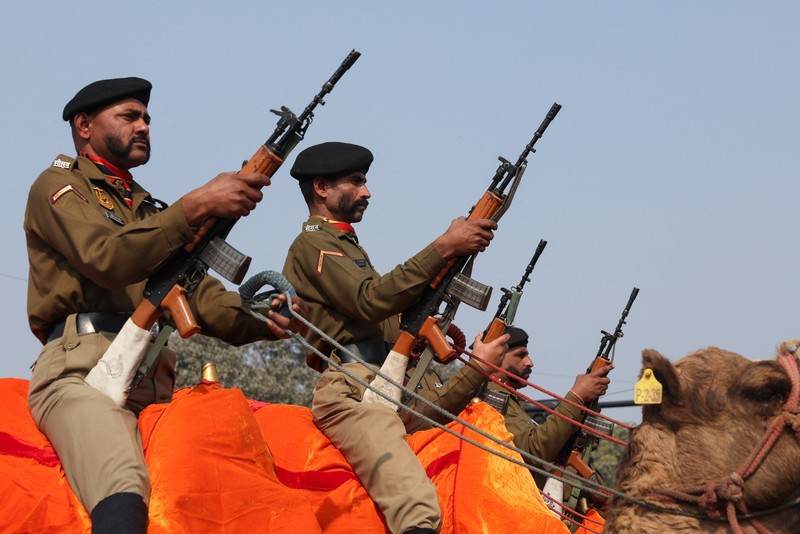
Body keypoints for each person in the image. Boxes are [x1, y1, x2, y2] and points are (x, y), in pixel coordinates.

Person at [24, 77, 306, 533]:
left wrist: (261, 316)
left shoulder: (148, 210)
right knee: (123, 486)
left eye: (147, 118)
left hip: (151, 382)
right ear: (84, 127)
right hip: (77, 375)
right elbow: (107, 257)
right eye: (129, 117)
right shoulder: (58, 186)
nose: (144, 127)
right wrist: (193, 206)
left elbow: (198, 296)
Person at [282, 141, 505, 534]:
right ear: (321, 187)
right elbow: (370, 300)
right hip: (351, 391)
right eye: (356, 181)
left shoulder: (347, 246)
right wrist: (442, 247)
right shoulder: (313, 244)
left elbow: (382, 309)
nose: (367, 192)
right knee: (418, 507)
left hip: (384, 382)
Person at [479, 326, 612, 488]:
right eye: (520, 355)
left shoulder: (510, 398)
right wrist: (578, 396)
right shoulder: (490, 396)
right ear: (495, 356)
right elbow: (535, 449)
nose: (530, 362)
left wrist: (584, 401)